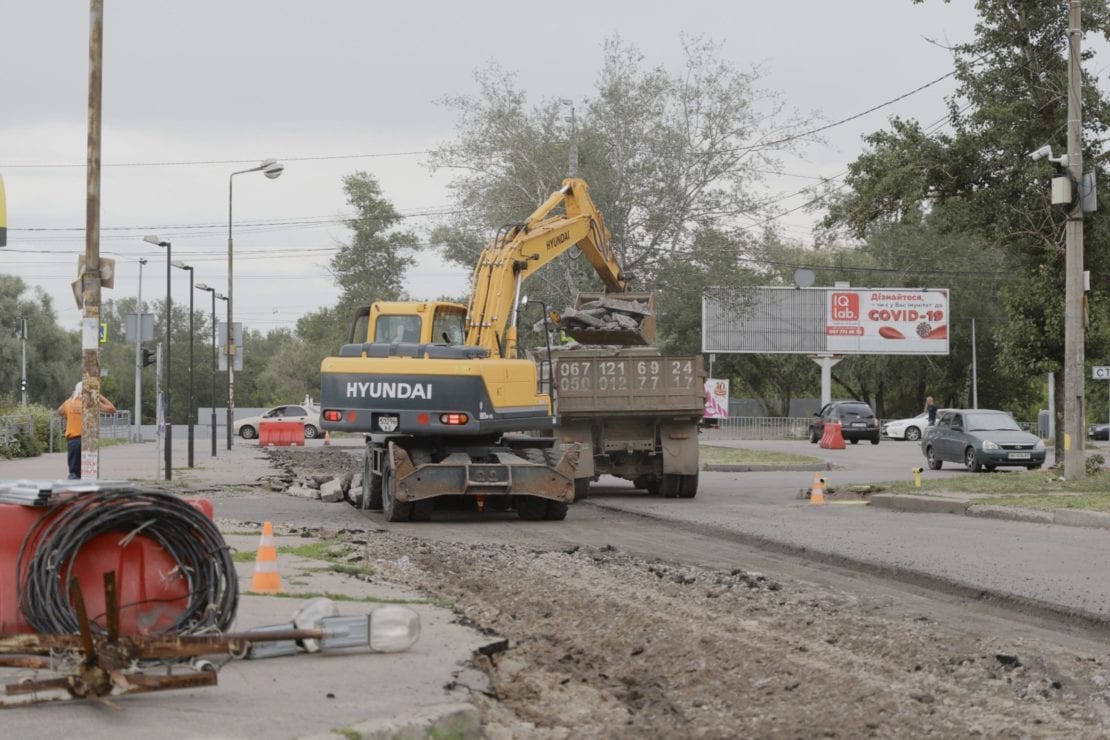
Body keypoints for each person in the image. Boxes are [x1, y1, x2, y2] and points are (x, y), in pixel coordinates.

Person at [56, 381, 116, 480]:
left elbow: (59, 411)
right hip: (89, 442)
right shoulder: (92, 403)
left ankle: (74, 491)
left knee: (74, 472)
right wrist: (98, 395)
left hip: (73, 441)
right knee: (89, 472)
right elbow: (112, 409)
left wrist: (72, 397)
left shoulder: (68, 403)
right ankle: (88, 491)